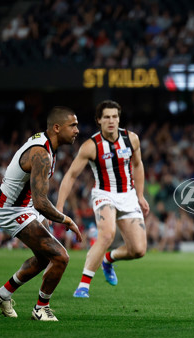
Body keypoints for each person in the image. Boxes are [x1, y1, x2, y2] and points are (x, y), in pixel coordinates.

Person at [0, 106, 82, 322]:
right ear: (57, 128)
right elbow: (41, 203)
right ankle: (41, 308)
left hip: (19, 205)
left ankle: (2, 294)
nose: (77, 130)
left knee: (43, 258)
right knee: (60, 256)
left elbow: (15, 173)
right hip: (14, 209)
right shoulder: (42, 154)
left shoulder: (46, 144)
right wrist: (67, 220)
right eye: (73, 125)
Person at [56, 100, 149, 298]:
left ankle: (108, 259)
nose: (111, 121)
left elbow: (138, 165)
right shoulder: (91, 146)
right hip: (104, 194)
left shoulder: (132, 139)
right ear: (99, 120)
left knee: (138, 250)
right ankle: (83, 285)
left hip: (128, 195)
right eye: (106, 117)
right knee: (107, 234)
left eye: (115, 116)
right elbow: (71, 175)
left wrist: (140, 195)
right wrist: (59, 206)